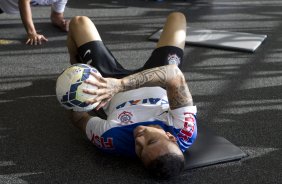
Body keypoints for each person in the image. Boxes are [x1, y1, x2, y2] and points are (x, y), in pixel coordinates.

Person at [66, 12, 197, 179]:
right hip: (157, 79)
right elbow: (174, 75)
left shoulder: (111, 140)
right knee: (178, 18)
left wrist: (75, 95)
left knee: (79, 22)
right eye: (151, 141)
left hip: (108, 84)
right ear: (170, 137)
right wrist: (120, 85)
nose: (139, 139)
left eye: (140, 150)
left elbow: (78, 120)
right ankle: (75, 58)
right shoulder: (184, 130)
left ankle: (76, 62)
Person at [0, 0, 69, 45]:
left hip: (9, 6)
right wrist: (32, 33)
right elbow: (23, 1)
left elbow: (56, 17)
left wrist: (62, 23)